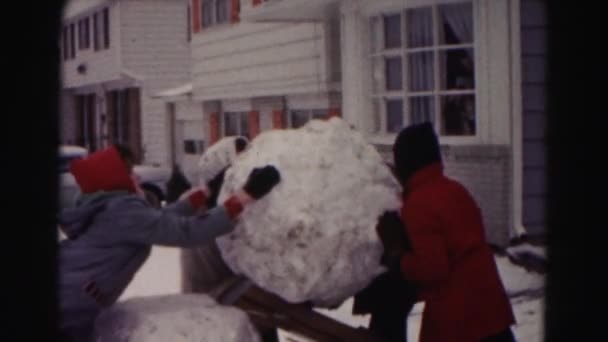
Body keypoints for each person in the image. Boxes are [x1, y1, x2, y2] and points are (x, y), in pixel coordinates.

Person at [57, 143, 280, 342]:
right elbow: (188, 232)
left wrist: (206, 192)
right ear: (116, 180)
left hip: (73, 299)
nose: (138, 178)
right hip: (68, 305)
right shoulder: (123, 212)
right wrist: (245, 195)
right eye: (130, 173)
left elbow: (161, 219)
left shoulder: (116, 209)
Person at [392, 122, 515, 342]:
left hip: (459, 320)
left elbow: (432, 269)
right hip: (491, 309)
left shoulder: (418, 203)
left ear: (407, 162)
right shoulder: (455, 190)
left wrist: (400, 258)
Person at [352, 163, 418, 342]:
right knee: (387, 327)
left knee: (387, 327)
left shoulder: (390, 211)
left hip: (392, 289)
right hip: (393, 289)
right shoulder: (397, 205)